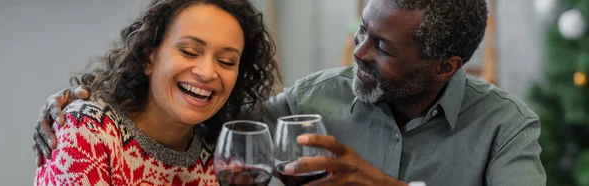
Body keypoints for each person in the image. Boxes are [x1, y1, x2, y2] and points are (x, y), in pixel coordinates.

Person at [33, 0, 546, 185]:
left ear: (444, 66)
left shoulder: (506, 126)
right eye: (361, 30)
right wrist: (85, 104)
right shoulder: (310, 101)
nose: (359, 52)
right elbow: (202, 112)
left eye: (383, 47)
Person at [33, 0, 279, 185]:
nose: (207, 73)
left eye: (226, 61)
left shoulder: (222, 157)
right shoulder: (86, 130)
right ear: (149, 57)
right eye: (190, 51)